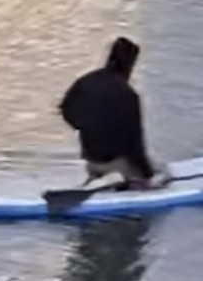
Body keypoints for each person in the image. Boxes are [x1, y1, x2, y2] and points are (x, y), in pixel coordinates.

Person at [59, 38, 168, 190]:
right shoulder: (128, 96)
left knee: (149, 164)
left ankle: (99, 174)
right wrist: (148, 175)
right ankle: (126, 178)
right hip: (118, 165)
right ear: (130, 64)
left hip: (91, 160)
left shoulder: (86, 81)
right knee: (162, 173)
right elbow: (135, 144)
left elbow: (65, 109)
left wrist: (85, 127)